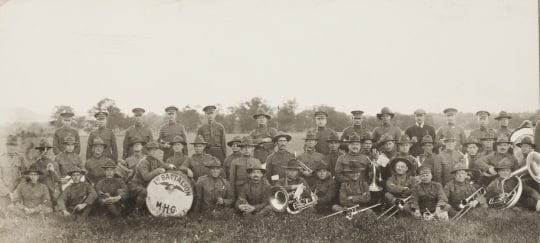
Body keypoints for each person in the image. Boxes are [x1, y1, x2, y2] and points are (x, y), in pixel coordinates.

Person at [127, 141, 168, 214]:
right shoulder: (144, 161)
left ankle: (153, 209)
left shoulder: (155, 160)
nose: (154, 152)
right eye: (151, 150)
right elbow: (146, 177)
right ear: (148, 151)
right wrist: (158, 170)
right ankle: (136, 210)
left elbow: (163, 165)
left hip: (145, 184)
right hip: (136, 185)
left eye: (155, 150)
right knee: (144, 192)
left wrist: (169, 166)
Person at [0, 135, 24, 208]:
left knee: (19, 209)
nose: (11, 147)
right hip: (4, 192)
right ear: (6, 146)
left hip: (17, 190)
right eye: (9, 145)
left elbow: (24, 177)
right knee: (3, 210)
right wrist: (7, 192)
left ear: (16, 146)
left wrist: (17, 191)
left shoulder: (20, 158)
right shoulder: (1, 158)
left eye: (13, 145)